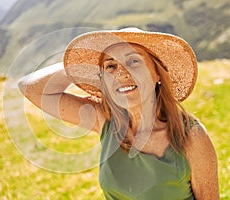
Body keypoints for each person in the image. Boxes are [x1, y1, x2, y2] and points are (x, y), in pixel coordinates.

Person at [18, 28, 219, 199]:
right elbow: (29, 87)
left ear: (157, 73)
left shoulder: (192, 137)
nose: (122, 74)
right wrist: (78, 66)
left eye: (133, 62)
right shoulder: (104, 119)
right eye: (111, 66)